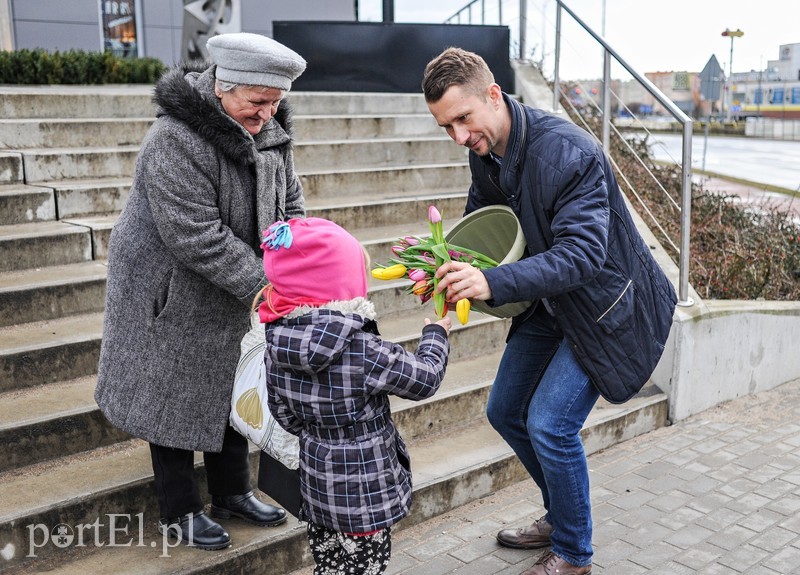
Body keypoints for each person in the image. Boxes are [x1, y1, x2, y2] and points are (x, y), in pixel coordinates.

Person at [422, 48, 677, 575]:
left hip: (605, 307)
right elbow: (485, 219)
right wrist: (448, 261)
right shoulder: (485, 150)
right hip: (551, 301)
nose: (459, 138)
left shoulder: (569, 153)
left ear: (493, 95)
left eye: (463, 120)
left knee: (550, 424)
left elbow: (582, 255)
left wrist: (489, 281)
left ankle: (574, 555)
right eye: (446, 126)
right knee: (504, 410)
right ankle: (560, 514)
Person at [94, 32, 307, 550]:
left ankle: (232, 490)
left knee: (233, 388)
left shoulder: (270, 130)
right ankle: (179, 508)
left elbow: (292, 204)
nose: (267, 114)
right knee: (170, 396)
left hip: (234, 288)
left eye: (275, 102)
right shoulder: (174, 139)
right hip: (170, 292)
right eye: (257, 102)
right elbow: (196, 235)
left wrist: (300, 254)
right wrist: (269, 285)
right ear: (221, 88)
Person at [257, 217, 451, 574]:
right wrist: (435, 336)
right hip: (366, 497)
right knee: (365, 567)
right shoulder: (362, 349)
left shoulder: (276, 345)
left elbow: (282, 414)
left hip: (317, 487)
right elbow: (424, 380)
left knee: (330, 565)